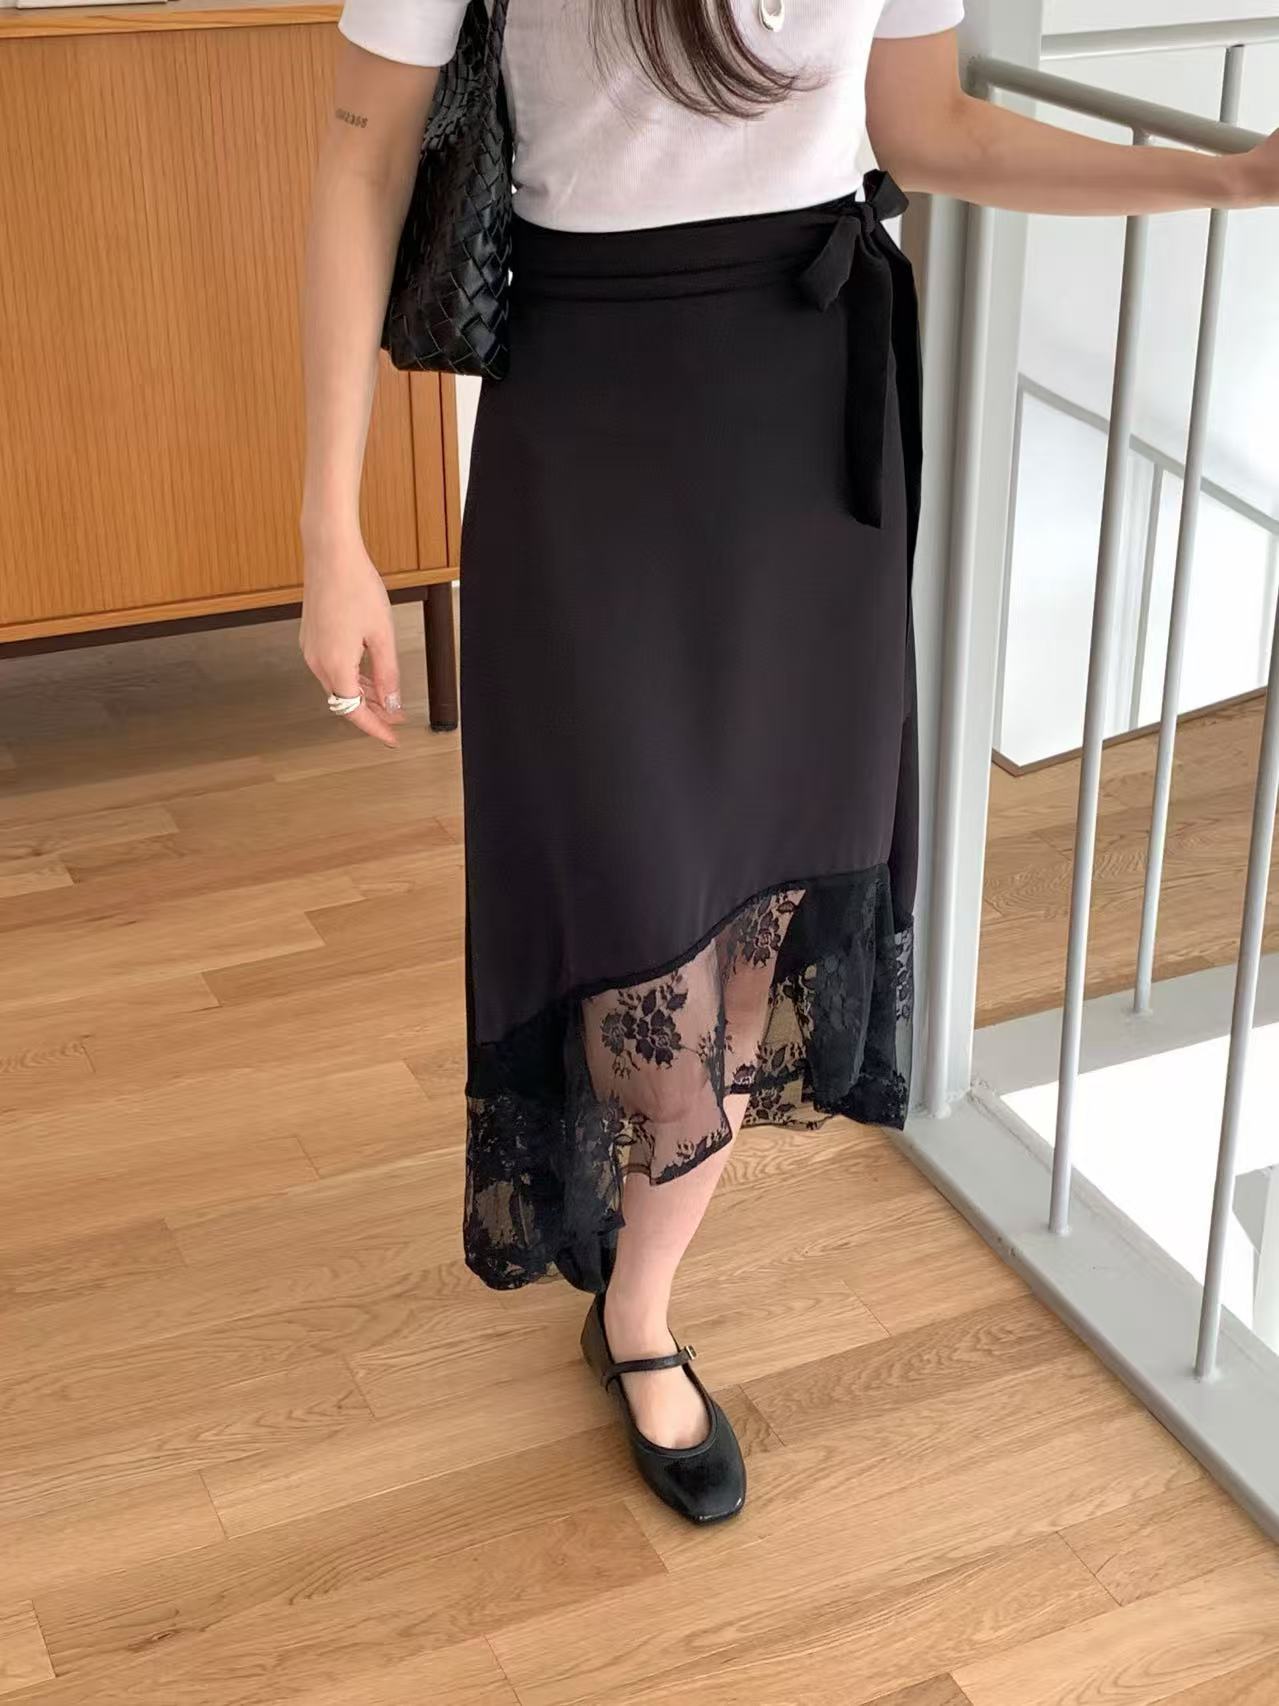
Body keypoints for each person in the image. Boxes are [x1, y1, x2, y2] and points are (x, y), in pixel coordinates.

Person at [299, 0, 1278, 1523]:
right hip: (595, 421)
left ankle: (640, 1301)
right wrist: (330, 527)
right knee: (632, 891)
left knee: (760, 902)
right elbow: (365, 153)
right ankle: (627, 1213)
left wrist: (1229, 179)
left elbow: (931, 132)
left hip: (808, 425)